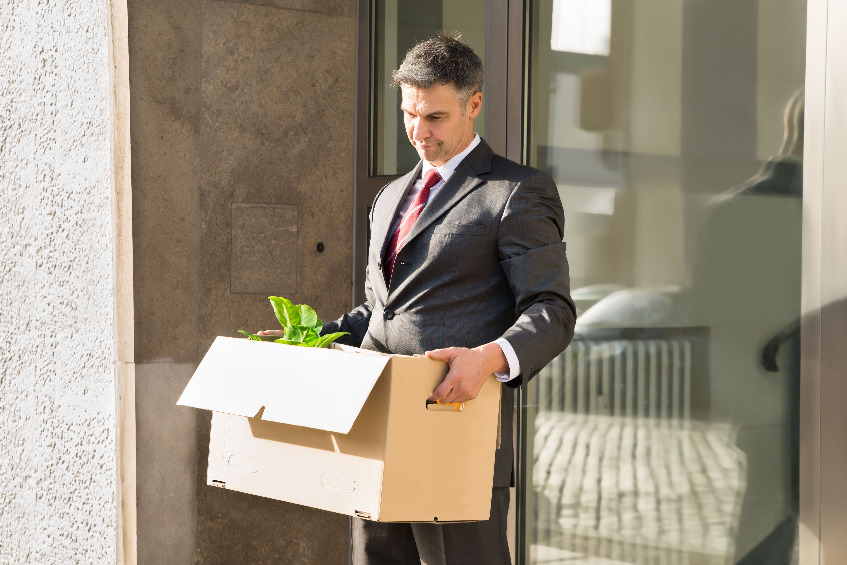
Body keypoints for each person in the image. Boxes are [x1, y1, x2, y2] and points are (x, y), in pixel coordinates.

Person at [267, 33, 575, 564]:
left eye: (434, 117)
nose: (417, 131)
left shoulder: (516, 193)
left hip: (456, 431)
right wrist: (310, 341)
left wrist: (490, 358)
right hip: (375, 429)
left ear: (473, 105)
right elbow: (380, 311)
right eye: (409, 113)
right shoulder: (389, 198)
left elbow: (552, 309)